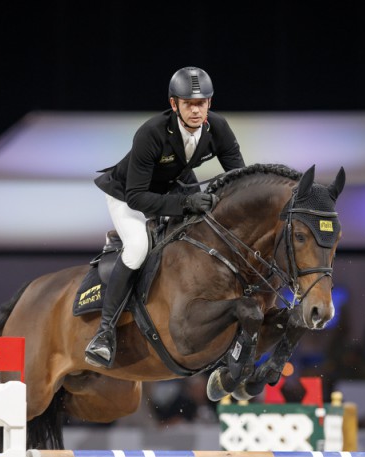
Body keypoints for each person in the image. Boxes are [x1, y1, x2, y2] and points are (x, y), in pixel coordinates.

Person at [85, 66, 246, 368]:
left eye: (202, 103)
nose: (197, 111)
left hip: (173, 188)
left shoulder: (218, 128)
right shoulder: (151, 133)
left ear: (210, 103)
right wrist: (186, 202)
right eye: (189, 104)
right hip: (127, 195)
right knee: (138, 248)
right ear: (174, 105)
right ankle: (104, 333)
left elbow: (239, 178)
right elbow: (137, 196)